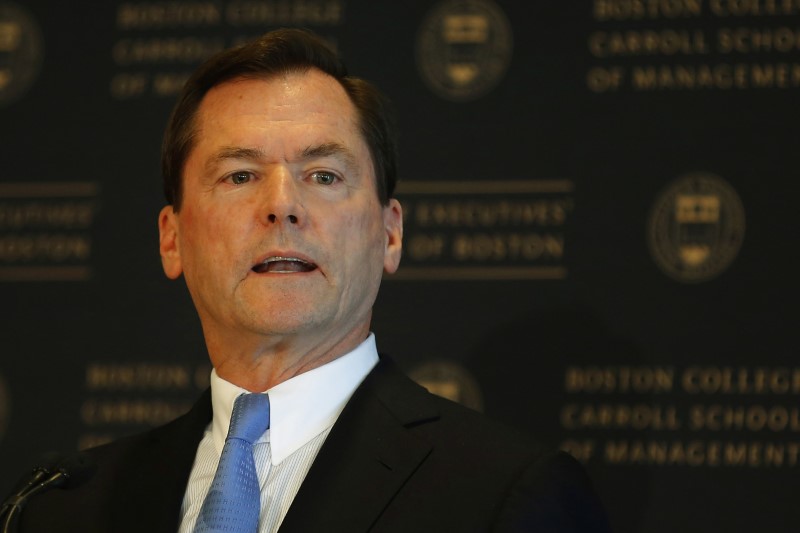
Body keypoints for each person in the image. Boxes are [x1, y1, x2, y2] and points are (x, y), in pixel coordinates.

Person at [12, 28, 609, 532]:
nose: (282, 206)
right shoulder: (65, 508)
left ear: (390, 234)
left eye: (323, 175)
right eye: (240, 175)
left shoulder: (505, 496)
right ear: (172, 238)